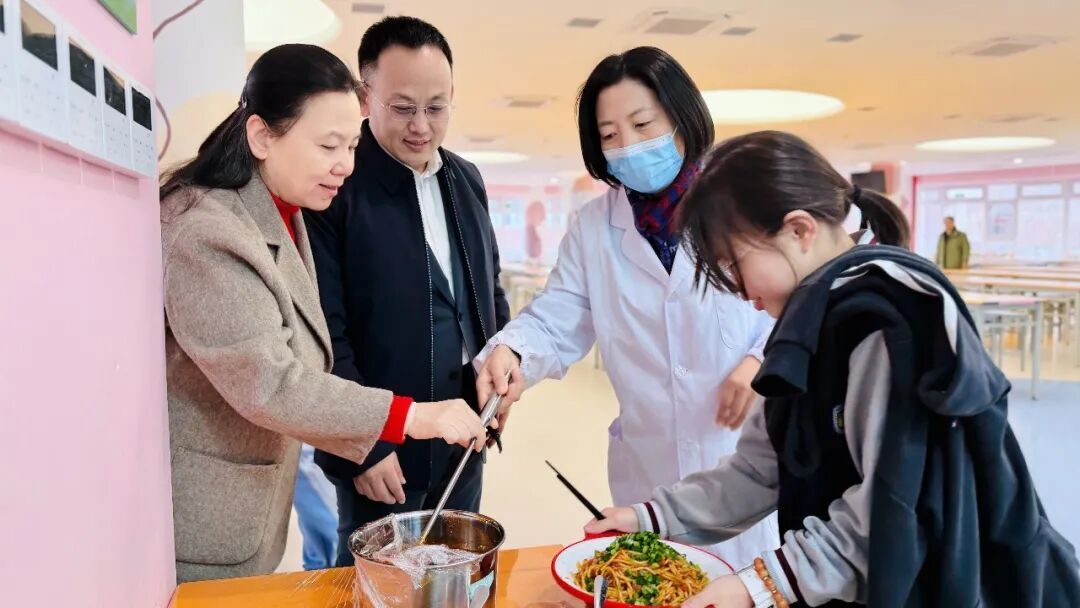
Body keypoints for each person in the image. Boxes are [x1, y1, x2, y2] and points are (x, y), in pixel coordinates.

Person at [586, 131, 1080, 607]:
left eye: (733, 264)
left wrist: (760, 585)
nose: (736, 289)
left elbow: (890, 507)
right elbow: (760, 469)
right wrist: (650, 517)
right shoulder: (808, 321)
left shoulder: (885, 323)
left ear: (799, 230)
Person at [160, 44, 489, 582]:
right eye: (328, 145)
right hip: (206, 515)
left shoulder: (283, 211)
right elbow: (272, 382)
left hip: (254, 502)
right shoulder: (208, 232)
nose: (346, 165)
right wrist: (413, 417)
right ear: (262, 136)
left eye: (352, 145)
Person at [474, 47, 777, 568]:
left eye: (642, 125)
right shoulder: (595, 227)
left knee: (751, 585)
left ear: (682, 119)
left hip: (746, 457)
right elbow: (559, 317)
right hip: (649, 465)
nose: (628, 146)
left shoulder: (748, 203)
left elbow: (802, 301)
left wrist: (762, 361)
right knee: (659, 584)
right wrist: (514, 352)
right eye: (609, 135)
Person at [304, 17, 509, 567]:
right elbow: (323, 331)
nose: (421, 126)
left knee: (457, 576)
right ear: (365, 97)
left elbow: (487, 290)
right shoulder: (336, 185)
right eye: (402, 108)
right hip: (383, 452)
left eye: (436, 107)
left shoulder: (466, 179)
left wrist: (498, 369)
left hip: (465, 436)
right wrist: (365, 444)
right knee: (377, 585)